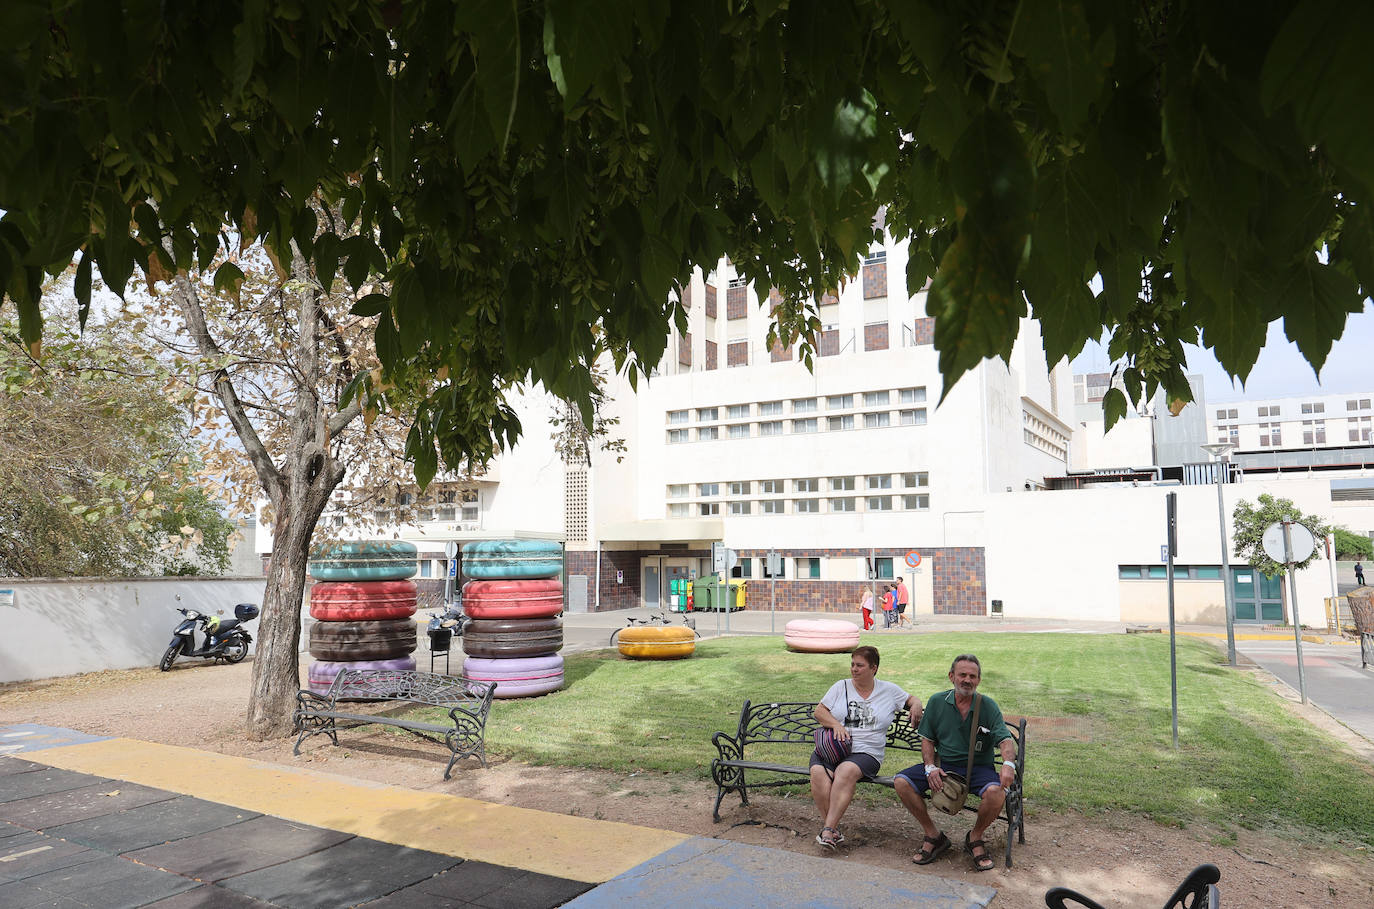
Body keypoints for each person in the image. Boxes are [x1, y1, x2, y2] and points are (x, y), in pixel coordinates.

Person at [893, 654, 1016, 872]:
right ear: (952, 676)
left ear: (978, 680)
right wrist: (930, 767)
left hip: (978, 768)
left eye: (972, 676)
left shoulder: (987, 706)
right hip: (944, 766)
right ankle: (934, 835)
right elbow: (928, 739)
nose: (967, 680)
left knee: (997, 793)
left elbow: (1005, 739)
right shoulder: (938, 702)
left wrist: (1008, 764)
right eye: (962, 675)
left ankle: (975, 838)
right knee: (902, 782)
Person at [810, 646, 922, 850]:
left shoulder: (888, 690)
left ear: (874, 668)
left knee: (845, 771)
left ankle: (828, 830)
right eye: (852, 664)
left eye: (860, 665)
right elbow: (819, 712)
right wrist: (836, 725)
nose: (854, 669)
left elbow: (911, 699)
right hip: (834, 748)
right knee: (817, 772)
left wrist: (916, 704)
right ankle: (832, 829)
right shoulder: (840, 686)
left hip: (867, 752)